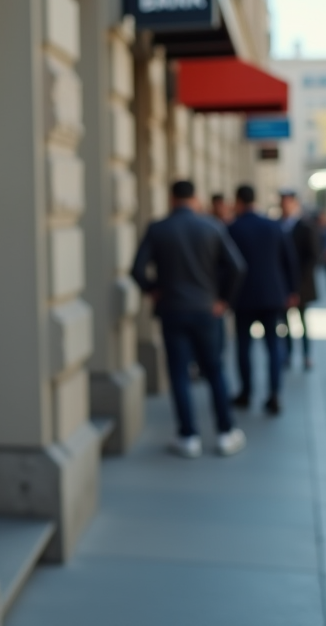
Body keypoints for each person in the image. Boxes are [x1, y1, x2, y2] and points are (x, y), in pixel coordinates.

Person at [132, 180, 247, 458]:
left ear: (172, 199)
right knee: (215, 371)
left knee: (179, 374)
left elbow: (136, 270)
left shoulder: (158, 229)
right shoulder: (212, 226)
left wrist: (153, 291)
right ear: (195, 199)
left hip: (172, 309)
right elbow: (238, 267)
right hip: (207, 311)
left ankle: (188, 436)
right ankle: (225, 432)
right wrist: (223, 301)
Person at [227, 185, 298, 415]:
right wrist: (292, 291)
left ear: (238, 201)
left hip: (243, 296)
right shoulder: (273, 226)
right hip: (272, 295)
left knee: (244, 347)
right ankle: (274, 394)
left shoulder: (233, 228)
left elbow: (224, 266)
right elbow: (290, 260)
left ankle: (246, 392)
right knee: (273, 346)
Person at [279, 189, 321, 370]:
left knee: (302, 321)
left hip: (301, 284)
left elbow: (312, 257)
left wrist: (298, 286)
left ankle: (306, 355)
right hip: (282, 283)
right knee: (284, 323)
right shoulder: (278, 225)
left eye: (288, 202)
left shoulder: (305, 226)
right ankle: (287, 354)